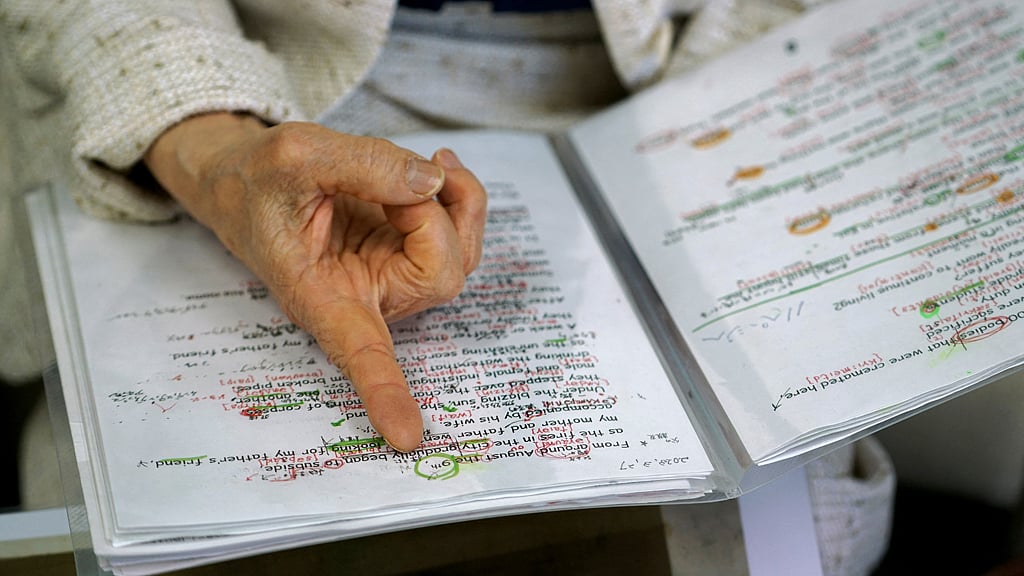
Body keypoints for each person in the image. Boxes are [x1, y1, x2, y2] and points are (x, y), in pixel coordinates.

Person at [0, 2, 899, 574]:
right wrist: (212, 146)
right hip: (261, 83)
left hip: (679, 96)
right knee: (159, 535)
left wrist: (753, 122)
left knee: (789, 529)